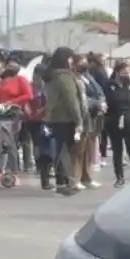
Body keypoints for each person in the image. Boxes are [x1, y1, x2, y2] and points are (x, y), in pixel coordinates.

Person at [43, 46, 84, 195]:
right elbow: (71, 100)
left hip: (54, 117)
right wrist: (79, 120)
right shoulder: (64, 76)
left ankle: (61, 181)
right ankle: (68, 181)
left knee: (59, 149)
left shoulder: (51, 75)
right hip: (66, 118)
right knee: (66, 151)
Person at [104, 60, 130, 187]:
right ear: (117, 72)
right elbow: (109, 101)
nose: (126, 74)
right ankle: (119, 177)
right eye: (123, 72)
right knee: (117, 150)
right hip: (113, 120)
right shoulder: (109, 85)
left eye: (128, 72)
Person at [74, 54, 104, 189]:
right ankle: (77, 178)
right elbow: (81, 98)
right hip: (83, 114)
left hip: (92, 116)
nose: (84, 65)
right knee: (80, 149)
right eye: (81, 62)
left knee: (88, 149)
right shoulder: (74, 78)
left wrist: (101, 102)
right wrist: (96, 104)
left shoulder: (88, 77)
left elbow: (99, 91)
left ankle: (87, 176)